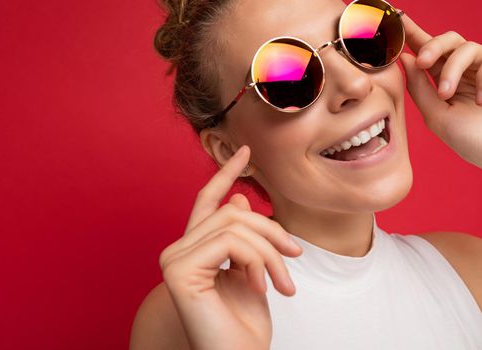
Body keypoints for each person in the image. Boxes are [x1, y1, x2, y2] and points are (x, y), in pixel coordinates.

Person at [130, 0, 482, 348]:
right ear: (226, 147)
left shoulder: (467, 268)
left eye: (358, 40)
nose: (356, 85)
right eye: (289, 77)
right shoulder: (184, 313)